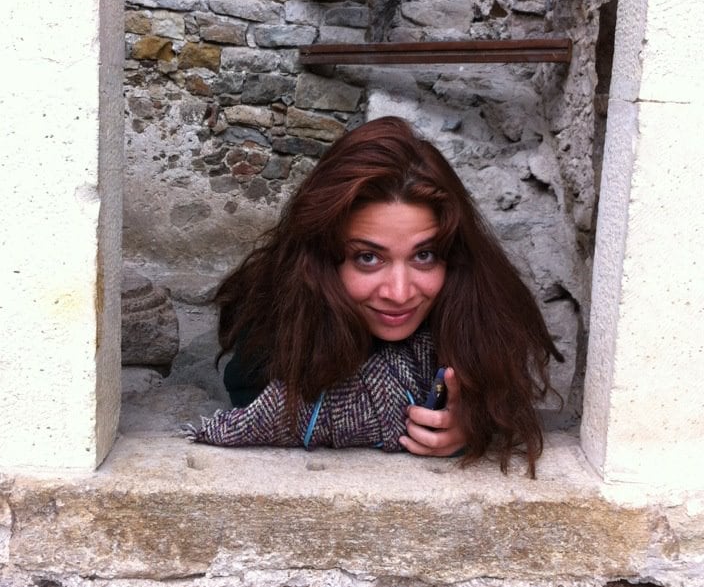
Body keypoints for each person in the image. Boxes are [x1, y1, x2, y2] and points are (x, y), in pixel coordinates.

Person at [188, 116, 561, 476]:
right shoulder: (277, 321)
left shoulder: (479, 317)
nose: (399, 293)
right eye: (368, 258)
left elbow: (508, 405)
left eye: (424, 255)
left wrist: (472, 426)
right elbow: (255, 407)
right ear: (324, 259)